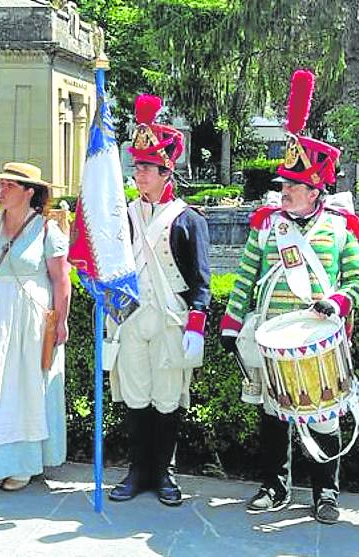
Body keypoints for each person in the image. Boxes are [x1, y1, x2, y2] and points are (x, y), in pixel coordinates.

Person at [219, 70, 359, 525]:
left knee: (324, 416)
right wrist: (231, 323)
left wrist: (339, 304)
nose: (283, 191)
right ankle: (275, 486)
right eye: (283, 185)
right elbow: (246, 276)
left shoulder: (341, 228)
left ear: (314, 189)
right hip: (271, 338)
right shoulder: (268, 227)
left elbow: (358, 281)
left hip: (320, 337)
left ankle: (326, 493)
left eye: (292, 186)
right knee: (273, 418)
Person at [107, 94, 211, 507]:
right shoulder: (122, 214)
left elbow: (201, 280)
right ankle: (137, 470)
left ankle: (164, 471)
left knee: (167, 398)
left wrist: (197, 325)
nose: (139, 175)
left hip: (170, 319)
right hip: (131, 319)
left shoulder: (188, 219)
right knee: (134, 396)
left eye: (147, 168)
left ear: (166, 171)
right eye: (137, 167)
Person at [0, 162, 71, 491]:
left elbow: (62, 280)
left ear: (29, 192)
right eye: (1, 184)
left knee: (24, 389)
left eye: (9, 186)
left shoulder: (47, 230)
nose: (0, 191)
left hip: (29, 320)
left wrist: (60, 321)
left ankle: (22, 463)